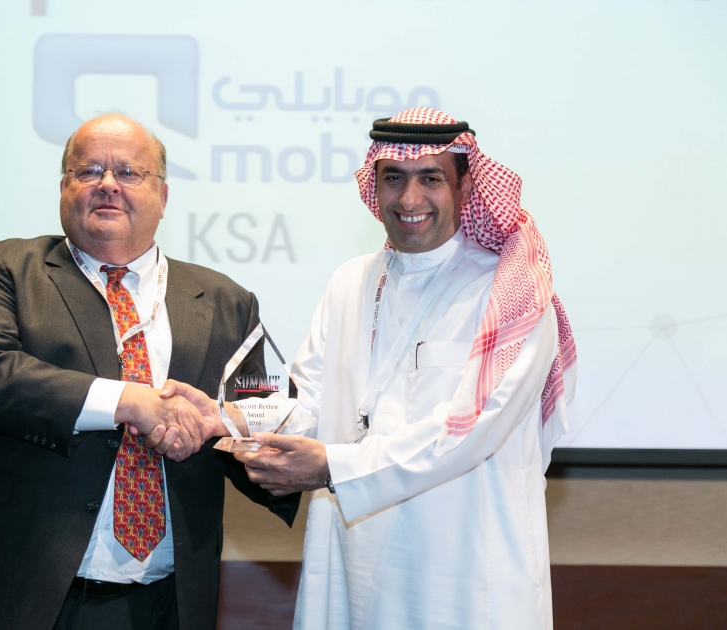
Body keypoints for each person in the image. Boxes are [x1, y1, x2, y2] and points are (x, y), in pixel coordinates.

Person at [0, 114, 299, 630]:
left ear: (163, 196)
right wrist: (130, 402)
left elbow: (261, 415)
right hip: (25, 591)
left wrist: (264, 453)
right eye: (89, 171)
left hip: (170, 600)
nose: (108, 184)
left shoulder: (226, 301)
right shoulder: (8, 268)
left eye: (129, 172)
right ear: (64, 187)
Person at [234, 107, 578, 629]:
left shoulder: (512, 296)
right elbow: (311, 404)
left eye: (430, 179)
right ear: (374, 187)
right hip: (354, 562)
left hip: (464, 575)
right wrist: (229, 418)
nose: (409, 199)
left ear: (466, 186)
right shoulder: (350, 282)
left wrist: (331, 467)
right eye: (393, 178)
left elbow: (468, 433)